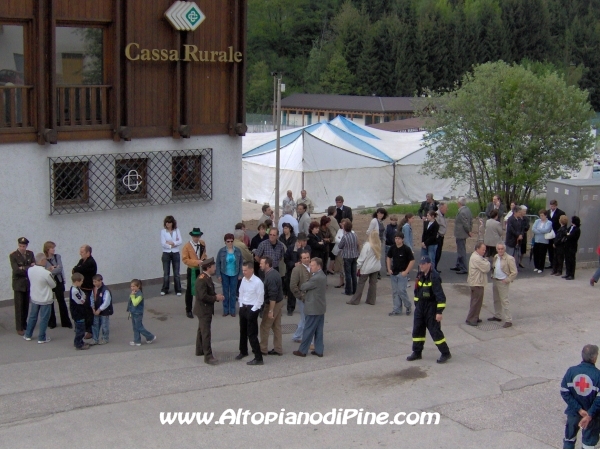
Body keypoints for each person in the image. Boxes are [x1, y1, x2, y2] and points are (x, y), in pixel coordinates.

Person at [407, 256, 451, 364]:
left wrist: (439, 312)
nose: (421, 265)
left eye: (423, 264)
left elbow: (440, 296)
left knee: (435, 331)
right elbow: (417, 291)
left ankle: (445, 353)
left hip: (431, 307)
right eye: (420, 264)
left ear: (429, 264)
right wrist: (417, 305)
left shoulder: (434, 277)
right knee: (417, 330)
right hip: (420, 307)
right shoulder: (420, 275)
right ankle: (417, 352)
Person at [560, 344, 600, 449]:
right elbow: (599, 400)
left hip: (573, 413)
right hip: (592, 417)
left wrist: (578, 409)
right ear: (594, 358)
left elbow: (564, 392)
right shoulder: (598, 375)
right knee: (588, 444)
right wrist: (589, 414)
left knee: (569, 440)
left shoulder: (571, 371)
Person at [293, 257, 327, 358]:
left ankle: (302, 351)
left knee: (308, 330)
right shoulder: (322, 275)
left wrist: (303, 282)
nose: (310, 267)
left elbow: (303, 286)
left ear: (319, 266)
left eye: (312, 265)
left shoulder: (316, 278)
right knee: (318, 331)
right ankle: (319, 350)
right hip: (320, 308)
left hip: (313, 309)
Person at [194, 258, 224, 365]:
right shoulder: (202, 279)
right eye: (213, 266)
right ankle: (208, 356)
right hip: (204, 309)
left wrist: (216, 296)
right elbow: (203, 296)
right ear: (208, 267)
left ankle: (199, 349)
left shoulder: (207, 277)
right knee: (206, 332)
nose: (214, 268)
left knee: (201, 330)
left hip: (204, 309)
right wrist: (215, 298)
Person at [23, 253, 56, 344]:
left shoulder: (30, 270)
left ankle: (28, 335)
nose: (46, 261)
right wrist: (49, 271)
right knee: (44, 318)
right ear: (42, 261)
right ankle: (41, 337)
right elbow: (53, 284)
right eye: (45, 259)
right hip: (45, 298)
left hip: (34, 296)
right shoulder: (46, 273)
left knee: (32, 317)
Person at [236, 262, 265, 365]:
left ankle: (258, 357)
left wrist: (253, 310)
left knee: (252, 333)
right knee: (242, 331)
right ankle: (243, 351)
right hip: (243, 308)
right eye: (243, 270)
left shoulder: (258, 282)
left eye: (245, 270)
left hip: (252, 308)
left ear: (251, 270)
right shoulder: (244, 280)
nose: (244, 272)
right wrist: (240, 306)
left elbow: (260, 299)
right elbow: (241, 293)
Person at [259, 256, 284, 356]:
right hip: (279, 301)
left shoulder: (271, 277)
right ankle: (278, 349)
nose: (260, 265)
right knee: (276, 326)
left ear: (267, 265)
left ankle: (263, 349)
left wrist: (270, 311)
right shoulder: (273, 273)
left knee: (265, 326)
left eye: (262, 263)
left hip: (273, 304)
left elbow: (272, 296)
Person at [347, 230, 381, 306]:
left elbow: (362, 258)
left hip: (367, 268)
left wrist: (358, 267)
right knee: (373, 284)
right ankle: (371, 300)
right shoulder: (379, 244)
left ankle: (355, 300)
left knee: (361, 284)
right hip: (376, 267)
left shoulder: (367, 245)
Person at [9, 237, 35, 336]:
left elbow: (34, 266)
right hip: (18, 284)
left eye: (24, 246)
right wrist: (28, 267)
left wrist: (23, 268)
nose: (22, 248)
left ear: (26, 246)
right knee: (19, 306)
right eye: (20, 246)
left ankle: (24, 323)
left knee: (25, 305)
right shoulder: (13, 255)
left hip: (28, 283)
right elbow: (16, 270)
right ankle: (19, 327)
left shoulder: (30, 254)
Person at [488, 243, 518, 328]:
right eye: (499, 249)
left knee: (504, 301)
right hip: (495, 280)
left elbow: (514, 272)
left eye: (502, 249)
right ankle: (497, 315)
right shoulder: (496, 257)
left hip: (503, 282)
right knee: (496, 299)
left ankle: (508, 320)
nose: (500, 250)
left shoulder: (509, 258)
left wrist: (508, 279)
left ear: (504, 249)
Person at [43, 241, 72, 329]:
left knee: (61, 301)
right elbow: (44, 271)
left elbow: (60, 269)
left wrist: (50, 270)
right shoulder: (44, 259)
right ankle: (52, 322)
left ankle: (66, 322)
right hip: (49, 281)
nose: (53, 249)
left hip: (58, 281)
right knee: (50, 301)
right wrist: (51, 269)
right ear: (47, 249)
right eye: (52, 248)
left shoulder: (57, 256)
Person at [387, 232, 415, 316]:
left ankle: (408, 306)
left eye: (399, 238)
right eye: (396, 238)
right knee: (395, 292)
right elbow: (388, 257)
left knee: (401, 291)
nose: (397, 240)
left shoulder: (406, 249)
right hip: (394, 273)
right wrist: (389, 269)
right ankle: (397, 309)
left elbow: (412, 260)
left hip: (402, 274)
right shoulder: (392, 248)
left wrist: (406, 272)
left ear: (402, 239)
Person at [181, 227, 207, 319]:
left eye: (198, 236)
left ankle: (200, 307)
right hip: (192, 270)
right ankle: (188, 309)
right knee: (190, 290)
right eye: (195, 236)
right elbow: (185, 260)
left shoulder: (202, 243)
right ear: (192, 236)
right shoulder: (187, 246)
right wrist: (196, 262)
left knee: (201, 288)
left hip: (200, 269)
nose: (196, 238)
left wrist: (203, 260)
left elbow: (204, 254)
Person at [72, 244, 97, 338]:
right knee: (82, 309)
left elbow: (80, 269)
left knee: (88, 310)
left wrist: (76, 270)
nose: (80, 254)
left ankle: (90, 330)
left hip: (88, 289)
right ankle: (83, 327)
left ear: (88, 253)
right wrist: (76, 270)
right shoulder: (82, 260)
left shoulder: (90, 262)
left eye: (82, 252)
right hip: (82, 289)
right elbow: (75, 269)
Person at [216, 233, 243, 317]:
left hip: (235, 273)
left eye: (231, 241)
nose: (230, 243)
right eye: (228, 241)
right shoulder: (221, 251)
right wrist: (218, 275)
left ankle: (232, 310)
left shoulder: (237, 251)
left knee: (233, 293)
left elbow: (241, 262)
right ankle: (225, 310)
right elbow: (218, 263)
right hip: (224, 273)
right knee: (225, 292)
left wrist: (240, 274)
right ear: (225, 242)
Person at [465, 242, 491, 326]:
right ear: (477, 249)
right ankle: (471, 318)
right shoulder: (476, 258)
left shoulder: (477, 257)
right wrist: (487, 261)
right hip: (477, 283)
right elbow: (486, 268)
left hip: (476, 282)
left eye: (485, 250)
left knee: (477, 301)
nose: (484, 251)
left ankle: (475, 317)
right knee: (476, 301)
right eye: (483, 250)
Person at [290, 250, 312, 343]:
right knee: (305, 318)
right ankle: (303, 338)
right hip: (302, 298)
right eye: (304, 258)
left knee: (306, 318)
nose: (307, 259)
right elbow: (293, 286)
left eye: (308, 257)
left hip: (311, 298)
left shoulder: (312, 267)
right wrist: (300, 296)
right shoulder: (297, 269)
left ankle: (297, 336)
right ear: (301, 259)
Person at [127, 279, 156, 346]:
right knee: (135, 327)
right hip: (133, 313)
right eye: (131, 286)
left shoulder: (140, 295)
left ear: (138, 286)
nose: (132, 288)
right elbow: (130, 304)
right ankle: (137, 341)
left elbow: (135, 303)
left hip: (138, 313)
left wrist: (132, 296)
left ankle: (150, 336)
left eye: (134, 286)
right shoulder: (134, 294)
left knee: (139, 327)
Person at [160, 215, 183, 296]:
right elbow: (163, 243)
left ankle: (178, 289)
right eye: (166, 222)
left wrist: (173, 243)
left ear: (172, 223)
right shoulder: (163, 231)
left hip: (175, 252)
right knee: (166, 273)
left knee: (176, 273)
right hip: (166, 253)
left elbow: (180, 241)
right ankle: (165, 289)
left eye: (169, 222)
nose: (167, 224)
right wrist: (170, 245)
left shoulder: (177, 230)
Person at [337, 220, 360, 296]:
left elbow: (340, 246)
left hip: (347, 256)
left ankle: (348, 290)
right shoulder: (355, 235)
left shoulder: (345, 236)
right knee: (353, 273)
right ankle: (355, 289)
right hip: (354, 255)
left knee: (348, 274)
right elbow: (357, 244)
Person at [451, 197, 472, 275]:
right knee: (460, 249)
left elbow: (465, 223)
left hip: (461, 233)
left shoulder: (462, 212)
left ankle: (463, 267)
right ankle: (458, 265)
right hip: (462, 233)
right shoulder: (467, 210)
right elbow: (470, 220)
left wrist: (469, 231)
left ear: (459, 203)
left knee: (461, 251)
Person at [90, 274, 113, 345]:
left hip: (104, 311)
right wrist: (93, 307)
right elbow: (92, 298)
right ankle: (95, 339)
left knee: (104, 325)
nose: (94, 283)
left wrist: (99, 310)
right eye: (93, 282)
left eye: (96, 282)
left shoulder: (105, 290)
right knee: (95, 325)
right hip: (96, 310)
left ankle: (105, 338)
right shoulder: (94, 289)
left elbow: (106, 302)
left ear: (100, 281)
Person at [69, 273, 89, 350]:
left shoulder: (77, 289)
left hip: (80, 312)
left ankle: (80, 341)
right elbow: (82, 300)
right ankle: (78, 344)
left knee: (81, 328)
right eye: (81, 281)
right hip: (78, 313)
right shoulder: (74, 291)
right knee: (80, 330)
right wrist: (84, 299)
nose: (82, 283)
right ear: (77, 281)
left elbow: (83, 295)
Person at [367, 207, 388, 278]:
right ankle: (375, 272)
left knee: (378, 256)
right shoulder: (374, 221)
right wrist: (372, 239)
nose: (380, 215)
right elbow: (369, 231)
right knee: (376, 256)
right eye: (379, 213)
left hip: (380, 241)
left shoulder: (381, 221)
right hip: (375, 241)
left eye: (382, 213)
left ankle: (376, 271)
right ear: (376, 213)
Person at [547, 199, 565, 269]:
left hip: (556, 232)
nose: (552, 208)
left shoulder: (561, 212)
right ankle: (551, 263)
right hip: (549, 233)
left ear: (556, 206)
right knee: (550, 249)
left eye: (553, 206)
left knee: (556, 250)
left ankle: (557, 265)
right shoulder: (548, 212)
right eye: (551, 206)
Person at [564, 216, 581, 281]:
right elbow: (566, 232)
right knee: (567, 259)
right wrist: (567, 234)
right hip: (567, 245)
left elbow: (572, 237)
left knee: (571, 260)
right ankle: (567, 273)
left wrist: (568, 235)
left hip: (572, 246)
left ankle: (571, 274)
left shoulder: (577, 229)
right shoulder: (571, 227)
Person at [326, 206, 340, 274]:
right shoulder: (333, 219)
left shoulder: (327, 218)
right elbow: (338, 229)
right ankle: (330, 268)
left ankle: (331, 267)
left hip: (328, 238)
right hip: (333, 239)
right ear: (334, 212)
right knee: (333, 255)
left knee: (330, 254)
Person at [435, 203, 448, 272]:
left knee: (439, 252)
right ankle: (434, 268)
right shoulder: (437, 215)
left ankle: (435, 267)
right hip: (438, 236)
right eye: (446, 208)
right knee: (437, 252)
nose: (447, 210)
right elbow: (437, 226)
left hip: (441, 236)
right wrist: (440, 233)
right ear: (441, 208)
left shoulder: (442, 215)